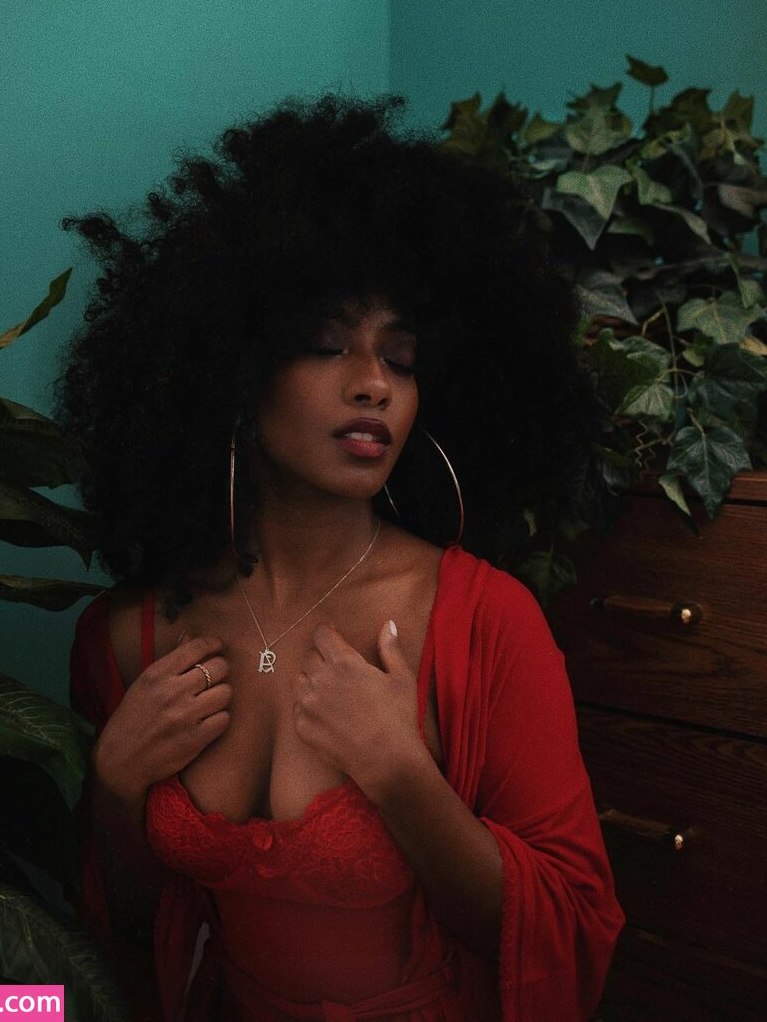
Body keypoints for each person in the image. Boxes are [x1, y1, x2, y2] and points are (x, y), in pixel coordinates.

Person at [58, 94, 624, 1022]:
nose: (372, 384)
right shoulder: (127, 636)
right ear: (232, 371)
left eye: (400, 359)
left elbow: (567, 927)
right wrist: (118, 786)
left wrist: (399, 772)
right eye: (326, 345)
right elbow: (125, 939)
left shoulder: (483, 622)